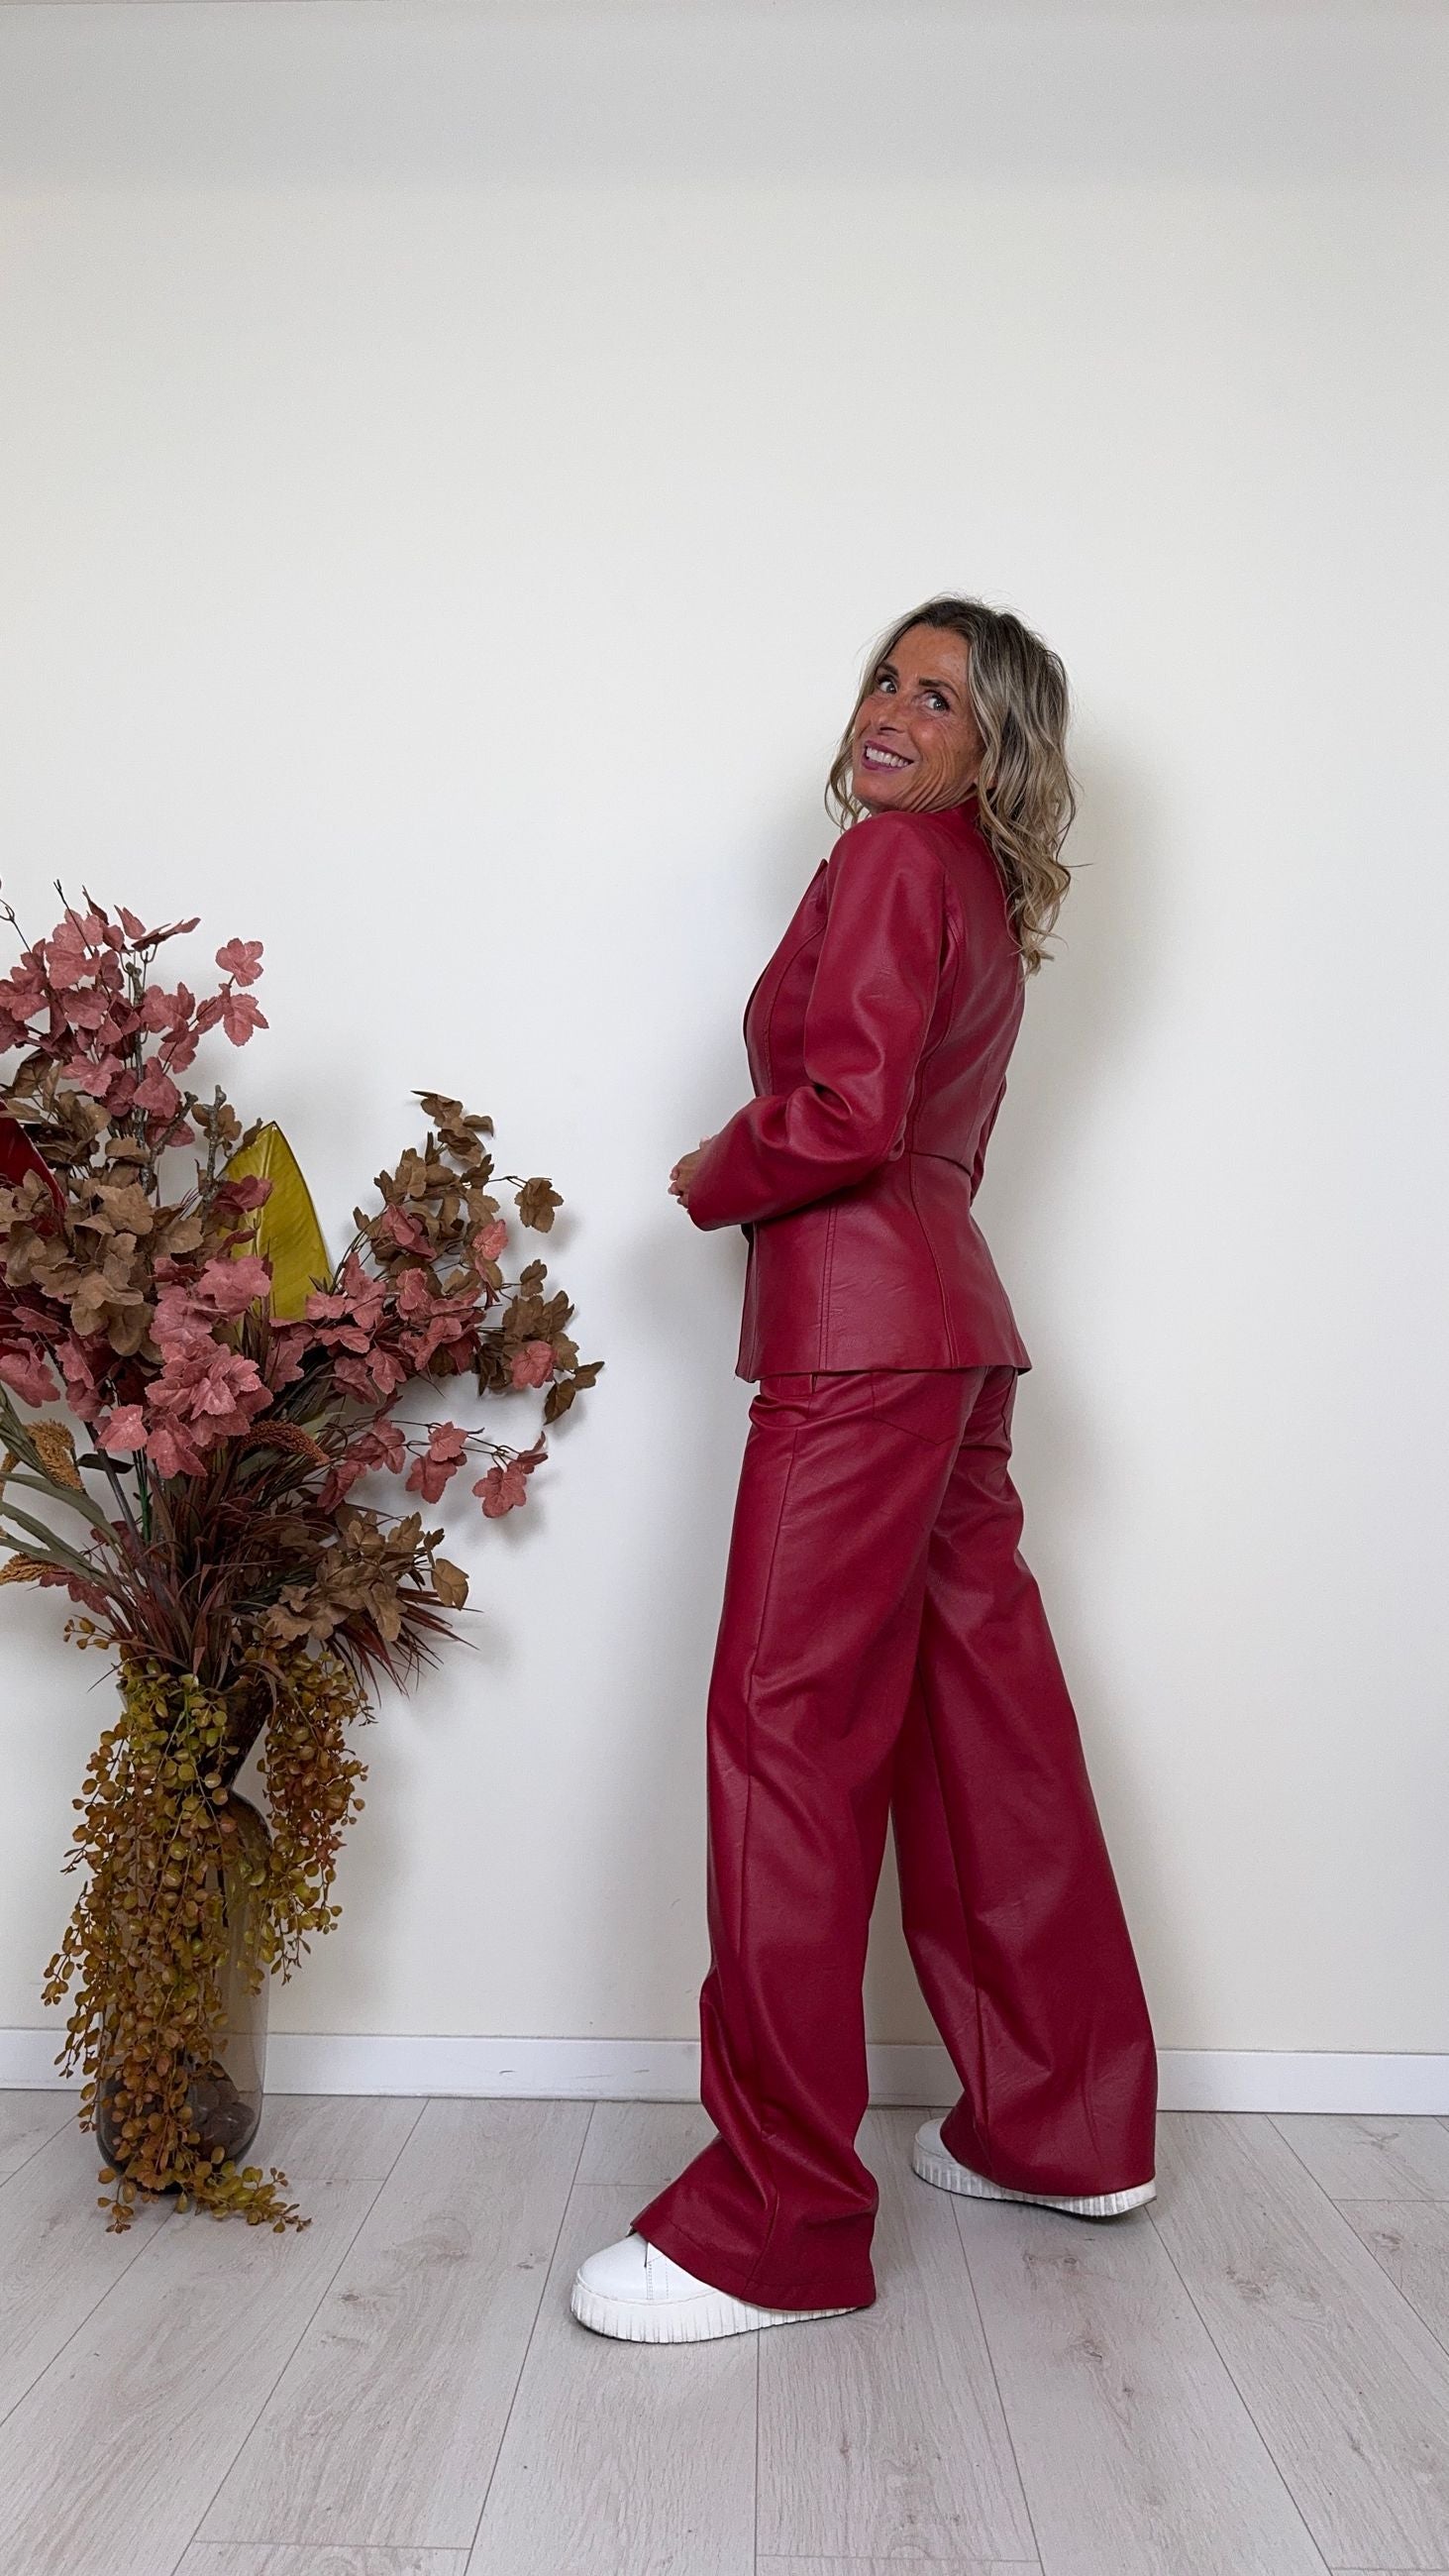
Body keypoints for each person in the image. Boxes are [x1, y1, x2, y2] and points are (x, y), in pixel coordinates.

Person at [571, 595, 1159, 2346]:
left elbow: (846, 1116)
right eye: (885, 680)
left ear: (997, 748)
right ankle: (1064, 2128)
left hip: (860, 1343)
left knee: (788, 1740)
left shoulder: (899, 860)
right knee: (985, 1731)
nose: (893, 712)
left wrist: (715, 1169)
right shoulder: (976, 885)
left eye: (941, 699)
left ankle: (776, 2225)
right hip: (951, 1335)